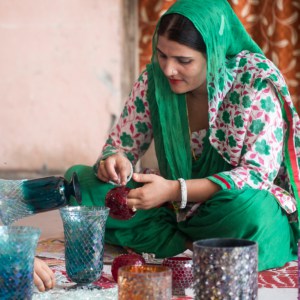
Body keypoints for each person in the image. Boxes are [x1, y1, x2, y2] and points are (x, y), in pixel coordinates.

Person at [65, 0, 300, 271]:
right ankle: (191, 246)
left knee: (251, 212)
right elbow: (122, 143)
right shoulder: (154, 80)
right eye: (162, 55)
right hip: (171, 210)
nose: (168, 70)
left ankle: (175, 244)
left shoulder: (255, 84)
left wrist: (175, 190)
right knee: (79, 184)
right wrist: (116, 160)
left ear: (214, 53)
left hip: (227, 210)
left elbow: (257, 175)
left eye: (183, 61)